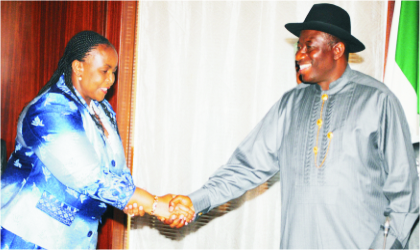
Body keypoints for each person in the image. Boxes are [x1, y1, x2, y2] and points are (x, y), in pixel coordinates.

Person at [167, 3, 419, 249]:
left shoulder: (378, 100)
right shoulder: (290, 104)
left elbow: (405, 194)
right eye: (298, 47)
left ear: (338, 49)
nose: (299, 55)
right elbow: (245, 167)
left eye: (309, 47)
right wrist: (194, 201)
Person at [0, 31, 193, 249]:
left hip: (77, 238)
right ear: (78, 67)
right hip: (32, 234)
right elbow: (88, 176)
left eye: (114, 72)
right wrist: (155, 204)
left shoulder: (103, 110)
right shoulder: (49, 109)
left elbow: (116, 169)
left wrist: (136, 200)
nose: (111, 79)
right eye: (104, 71)